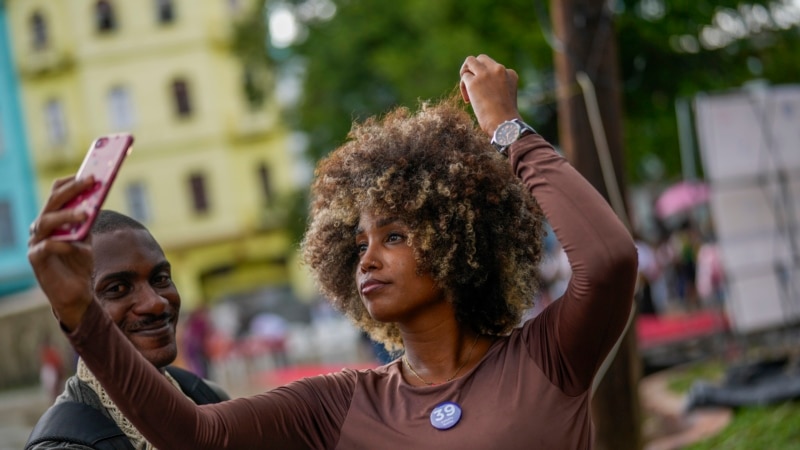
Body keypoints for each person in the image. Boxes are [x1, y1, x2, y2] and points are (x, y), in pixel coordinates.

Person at [27, 55, 637, 449]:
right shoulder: (339, 404)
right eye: (359, 243)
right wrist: (80, 313)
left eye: (394, 236)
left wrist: (507, 129)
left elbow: (608, 261)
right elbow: (193, 437)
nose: (366, 259)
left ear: (463, 241)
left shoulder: (548, 357)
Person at [26, 210, 229, 450]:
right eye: (118, 288)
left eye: (160, 278)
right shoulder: (65, 443)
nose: (155, 302)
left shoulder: (207, 396)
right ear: (65, 310)